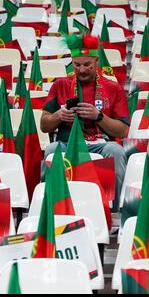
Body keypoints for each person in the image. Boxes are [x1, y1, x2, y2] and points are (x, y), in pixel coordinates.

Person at [40, 33, 129, 212]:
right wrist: (59, 115)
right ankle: (48, 207)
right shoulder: (60, 85)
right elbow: (44, 125)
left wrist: (99, 116)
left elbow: (123, 131)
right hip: (67, 142)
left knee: (116, 151)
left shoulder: (113, 87)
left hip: (101, 144)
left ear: (96, 61)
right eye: (77, 65)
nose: (81, 70)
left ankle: (115, 211)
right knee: (50, 150)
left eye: (87, 65)